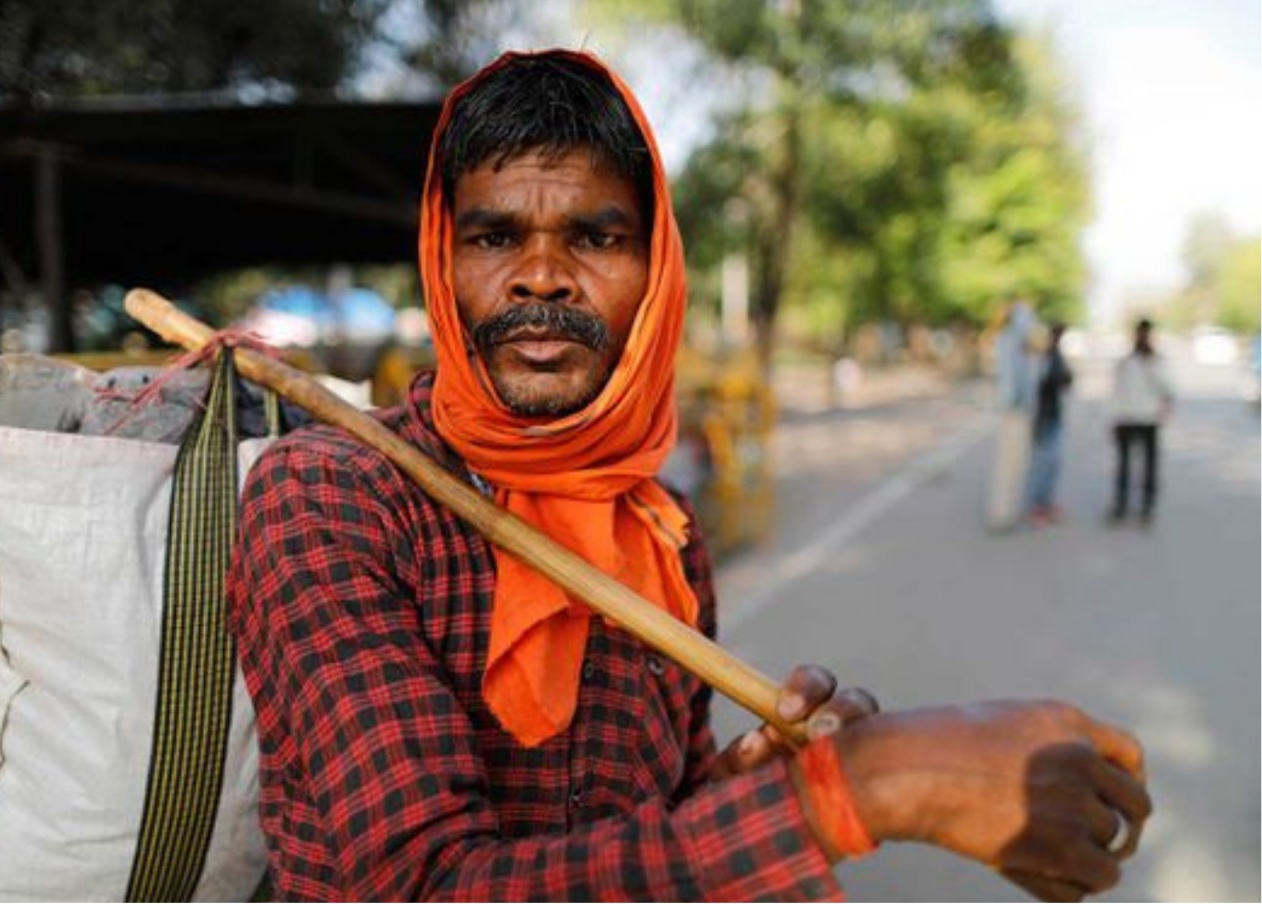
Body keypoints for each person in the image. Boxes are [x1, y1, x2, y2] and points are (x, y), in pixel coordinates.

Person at [227, 50, 1150, 902]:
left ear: (658, 270)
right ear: (442, 260)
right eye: (495, 237)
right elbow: (422, 886)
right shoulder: (332, 498)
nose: (540, 276)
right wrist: (878, 785)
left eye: (594, 238)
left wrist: (752, 785)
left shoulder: (660, 530)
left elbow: (639, 823)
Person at [1108, 318, 1175, 525]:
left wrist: (1151, 365)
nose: (1142, 338)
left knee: (1149, 466)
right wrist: (1114, 418)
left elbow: (1169, 389)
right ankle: (1120, 506)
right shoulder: (1125, 362)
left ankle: (1147, 508)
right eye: (1139, 334)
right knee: (1124, 465)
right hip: (1126, 419)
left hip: (1149, 419)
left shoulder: (1158, 361)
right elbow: (1116, 392)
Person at [986, 298, 1042, 532]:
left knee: (1018, 463)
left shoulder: (1025, 345)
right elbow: (1009, 380)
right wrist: (1014, 404)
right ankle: (1000, 514)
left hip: (1022, 411)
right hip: (1013, 411)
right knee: (1007, 463)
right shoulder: (1008, 341)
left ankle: (1010, 510)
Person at [1027, 322, 1074, 525]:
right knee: (1043, 464)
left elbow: (1065, 381)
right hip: (1042, 417)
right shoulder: (1040, 359)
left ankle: (1046, 502)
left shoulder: (1055, 356)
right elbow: (1040, 385)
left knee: (1052, 463)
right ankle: (1038, 506)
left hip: (1053, 415)